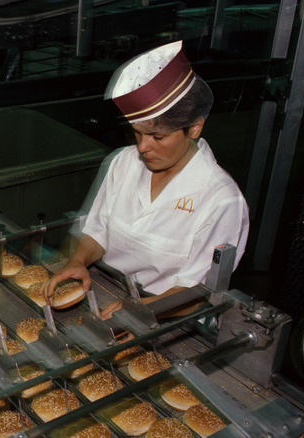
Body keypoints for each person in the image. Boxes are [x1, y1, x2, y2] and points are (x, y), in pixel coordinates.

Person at [42, 40, 249, 319]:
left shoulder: (221, 199)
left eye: (158, 137)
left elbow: (198, 293)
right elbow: (98, 229)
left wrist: (139, 312)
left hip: (168, 314)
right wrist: (78, 261)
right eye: (137, 133)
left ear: (195, 128)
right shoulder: (124, 162)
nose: (142, 147)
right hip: (108, 289)